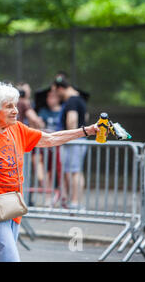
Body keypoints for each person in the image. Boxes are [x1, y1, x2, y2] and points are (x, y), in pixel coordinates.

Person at [0, 81, 98, 262]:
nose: (16, 111)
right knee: (9, 259)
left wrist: (85, 131)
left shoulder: (16, 128)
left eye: (15, 105)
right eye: (9, 107)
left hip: (14, 205)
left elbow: (50, 139)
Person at [52, 75, 88, 210]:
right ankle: (74, 201)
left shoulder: (72, 101)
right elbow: (86, 117)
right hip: (79, 140)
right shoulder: (80, 99)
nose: (56, 95)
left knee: (74, 172)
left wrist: (69, 136)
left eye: (56, 92)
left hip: (74, 141)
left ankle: (74, 202)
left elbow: (72, 120)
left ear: (61, 88)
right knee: (75, 171)